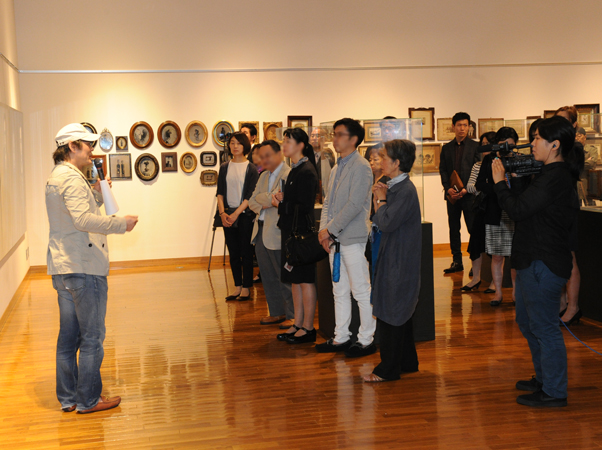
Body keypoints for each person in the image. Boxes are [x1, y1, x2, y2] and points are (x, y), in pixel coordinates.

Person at [46, 123, 139, 414]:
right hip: (84, 268)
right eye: (87, 146)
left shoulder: (59, 177)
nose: (91, 152)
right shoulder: (72, 179)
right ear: (72, 146)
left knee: (68, 337)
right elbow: (83, 222)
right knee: (91, 337)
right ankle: (88, 400)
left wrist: (97, 194)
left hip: (64, 266)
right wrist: (120, 225)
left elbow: (75, 215)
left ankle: (69, 398)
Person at [492, 115, 582, 407]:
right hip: (533, 258)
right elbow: (528, 207)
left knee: (544, 327)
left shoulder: (556, 177)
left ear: (554, 145)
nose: (531, 144)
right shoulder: (547, 173)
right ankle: (544, 378)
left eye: (536, 139)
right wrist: (514, 182)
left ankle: (555, 391)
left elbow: (517, 210)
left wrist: (499, 184)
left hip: (544, 261)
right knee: (528, 322)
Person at [316, 118, 376, 358]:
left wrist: (329, 230)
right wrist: (324, 231)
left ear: (353, 139)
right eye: (334, 134)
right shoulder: (337, 166)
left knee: (361, 291)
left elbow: (354, 205)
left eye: (339, 134)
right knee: (338, 290)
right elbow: (328, 202)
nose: (334, 138)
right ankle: (341, 337)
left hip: (353, 238)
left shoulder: (361, 166)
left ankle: (366, 339)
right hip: (334, 239)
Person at [363, 139, 421, 382]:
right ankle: (407, 362)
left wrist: (382, 200)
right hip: (390, 254)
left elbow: (385, 222)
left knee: (392, 311)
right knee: (397, 309)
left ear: (397, 163)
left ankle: (388, 369)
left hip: (400, 258)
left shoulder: (404, 190)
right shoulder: (388, 184)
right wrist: (380, 198)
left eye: (385, 156)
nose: (380, 160)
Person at [273, 128, 319, 344]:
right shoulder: (295, 169)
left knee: (305, 280)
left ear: (300, 145)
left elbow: (305, 206)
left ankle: (308, 327)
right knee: (294, 280)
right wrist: (284, 199)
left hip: (301, 234)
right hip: (291, 232)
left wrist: (281, 203)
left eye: (288, 141)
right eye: (284, 140)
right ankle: (298, 323)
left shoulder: (307, 170)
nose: (284, 144)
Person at [476, 127, 523, 306]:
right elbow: (480, 183)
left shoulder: (519, 160)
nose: (508, 148)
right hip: (496, 211)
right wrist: (498, 187)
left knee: (515, 256)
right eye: (504, 144)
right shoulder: (490, 159)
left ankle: (516, 294)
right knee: (497, 256)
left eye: (511, 145)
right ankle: (497, 292)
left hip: (516, 211)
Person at [248, 140, 294, 326]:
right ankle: (276, 312)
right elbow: (252, 202)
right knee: (267, 276)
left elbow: (283, 202)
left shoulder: (289, 174)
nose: (263, 159)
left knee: (284, 276)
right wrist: (269, 198)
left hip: (278, 232)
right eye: (261, 156)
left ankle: (292, 315)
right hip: (259, 231)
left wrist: (263, 200)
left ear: (279, 154)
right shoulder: (264, 176)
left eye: (267, 155)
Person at [216, 132, 259, 301]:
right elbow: (219, 193)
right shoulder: (225, 167)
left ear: (245, 146)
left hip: (244, 215)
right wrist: (223, 213)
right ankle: (237, 286)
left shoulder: (251, 168)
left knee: (246, 252)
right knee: (233, 252)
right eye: (232, 143)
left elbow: (250, 196)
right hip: (227, 215)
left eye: (238, 143)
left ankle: (247, 287)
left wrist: (235, 214)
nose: (235, 146)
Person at [553, 107, 585, 326]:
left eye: (563, 121)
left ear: (573, 125)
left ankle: (573, 307)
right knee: (560, 257)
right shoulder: (560, 144)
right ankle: (563, 302)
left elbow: (570, 172)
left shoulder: (574, 148)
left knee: (569, 257)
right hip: (556, 206)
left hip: (568, 206)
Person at [439, 112, 479, 273]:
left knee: (473, 229)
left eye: (465, 125)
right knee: (453, 228)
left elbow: (478, 169)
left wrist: (465, 189)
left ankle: (475, 263)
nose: (462, 128)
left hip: (469, 195)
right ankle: (457, 261)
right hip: (452, 196)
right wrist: (447, 187)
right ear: (453, 127)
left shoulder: (475, 147)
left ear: (469, 126)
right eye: (459, 125)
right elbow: (442, 170)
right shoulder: (446, 148)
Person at [462, 131, 496, 291]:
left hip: (495, 209)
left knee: (494, 248)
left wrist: (482, 186)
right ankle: (476, 279)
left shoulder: (499, 164)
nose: (485, 147)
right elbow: (470, 186)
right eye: (482, 144)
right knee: (475, 244)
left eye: (487, 144)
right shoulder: (477, 165)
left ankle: (495, 283)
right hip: (480, 208)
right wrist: (483, 187)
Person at [309, 127, 335, 201]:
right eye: (312, 136)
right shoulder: (306, 155)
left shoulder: (328, 153)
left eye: (317, 136)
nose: (314, 138)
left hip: (325, 194)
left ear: (324, 139)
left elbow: (328, 173)